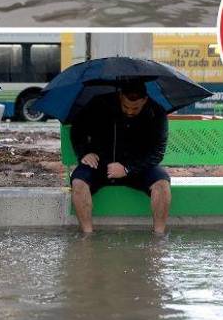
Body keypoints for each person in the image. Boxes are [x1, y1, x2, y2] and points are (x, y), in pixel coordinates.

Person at [70, 82, 172, 235]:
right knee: (78, 183)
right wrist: (84, 152)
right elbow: (77, 129)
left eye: (135, 108)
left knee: (163, 185)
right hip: (100, 165)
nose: (130, 112)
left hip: (139, 167)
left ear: (144, 100)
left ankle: (158, 237)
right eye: (126, 107)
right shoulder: (99, 104)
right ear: (120, 96)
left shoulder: (157, 112)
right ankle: (87, 235)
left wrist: (127, 168)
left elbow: (157, 153)